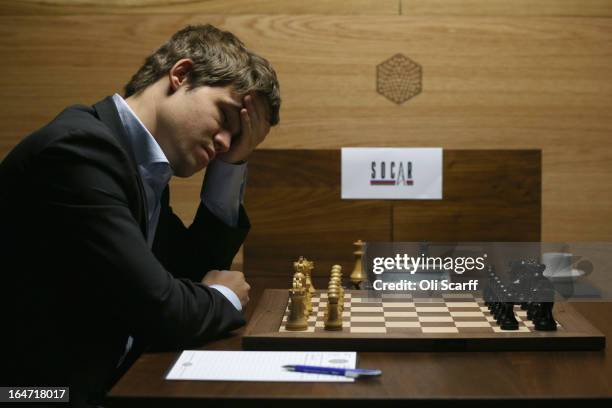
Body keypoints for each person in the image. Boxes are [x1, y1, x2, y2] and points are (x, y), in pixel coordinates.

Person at [0, 24, 280, 407]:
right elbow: (164, 309)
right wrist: (224, 296)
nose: (226, 143)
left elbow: (188, 274)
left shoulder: (138, 165)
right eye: (227, 118)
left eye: (239, 140)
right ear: (180, 75)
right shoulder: (79, 153)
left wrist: (231, 165)